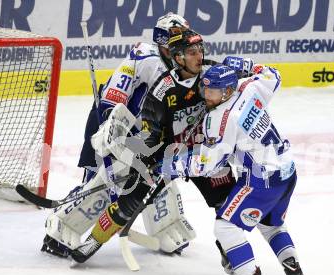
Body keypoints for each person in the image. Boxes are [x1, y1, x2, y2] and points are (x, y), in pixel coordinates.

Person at [70, 27, 238, 263]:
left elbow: (240, 88)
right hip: (168, 154)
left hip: (203, 153)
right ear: (178, 57)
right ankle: (95, 240)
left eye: (200, 49)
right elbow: (151, 134)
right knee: (129, 202)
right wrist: (144, 161)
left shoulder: (213, 73)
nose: (199, 56)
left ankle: (229, 252)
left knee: (228, 201)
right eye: (192, 52)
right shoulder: (163, 89)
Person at [41, 13, 195, 258]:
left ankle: (167, 227)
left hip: (149, 134)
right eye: (175, 42)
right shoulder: (145, 57)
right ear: (163, 43)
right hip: (111, 120)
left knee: (156, 178)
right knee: (99, 181)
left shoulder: (188, 65)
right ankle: (60, 230)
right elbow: (115, 94)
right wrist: (113, 127)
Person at [159, 63, 307, 275]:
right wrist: (245, 64)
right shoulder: (249, 87)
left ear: (227, 91)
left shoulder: (219, 119)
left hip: (263, 179)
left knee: (225, 226)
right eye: (205, 90)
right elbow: (273, 75)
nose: (206, 95)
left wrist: (175, 165)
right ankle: (293, 267)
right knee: (271, 224)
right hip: (287, 171)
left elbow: (210, 165)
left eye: (212, 91)